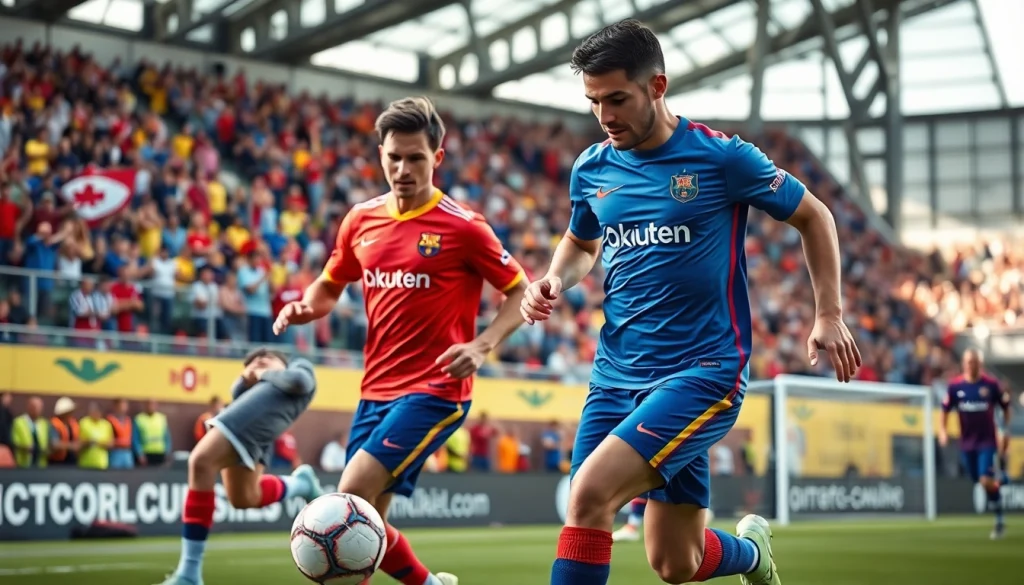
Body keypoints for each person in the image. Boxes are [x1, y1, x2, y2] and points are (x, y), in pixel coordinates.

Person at [520, 19, 860, 585]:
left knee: (588, 499)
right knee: (675, 563)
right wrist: (554, 278)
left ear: (657, 86)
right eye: (593, 101)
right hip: (615, 375)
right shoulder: (592, 167)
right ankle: (752, 555)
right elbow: (582, 242)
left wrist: (829, 314)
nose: (605, 116)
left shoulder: (722, 159)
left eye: (617, 99)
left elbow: (814, 216)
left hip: (703, 372)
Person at [274, 96, 528, 585]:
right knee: (369, 520)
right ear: (380, 155)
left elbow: (519, 290)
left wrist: (483, 344)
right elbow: (330, 284)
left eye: (415, 157)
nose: (403, 168)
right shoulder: (360, 221)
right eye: (394, 156)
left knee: (348, 499)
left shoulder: (464, 226)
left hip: (436, 390)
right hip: (375, 390)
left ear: (437, 157)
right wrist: (308, 305)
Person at [157, 348, 324, 585]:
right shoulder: (260, 383)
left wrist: (261, 372)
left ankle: (189, 574)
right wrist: (248, 376)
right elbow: (236, 392)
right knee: (244, 497)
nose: (259, 360)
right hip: (250, 433)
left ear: (283, 362)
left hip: (243, 429)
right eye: (254, 359)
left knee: (200, 462)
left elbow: (299, 381)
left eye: (267, 356)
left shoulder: (297, 366)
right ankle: (300, 483)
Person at [939, 348, 1011, 540]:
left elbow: (1005, 406)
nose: (971, 365)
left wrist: (1006, 428)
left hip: (987, 442)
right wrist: (943, 431)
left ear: (980, 364)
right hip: (967, 443)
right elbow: (945, 409)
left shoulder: (991, 385)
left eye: (975, 362)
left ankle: (999, 520)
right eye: (968, 362)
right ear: (963, 364)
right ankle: (1001, 479)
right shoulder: (955, 387)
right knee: (977, 479)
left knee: (983, 480)